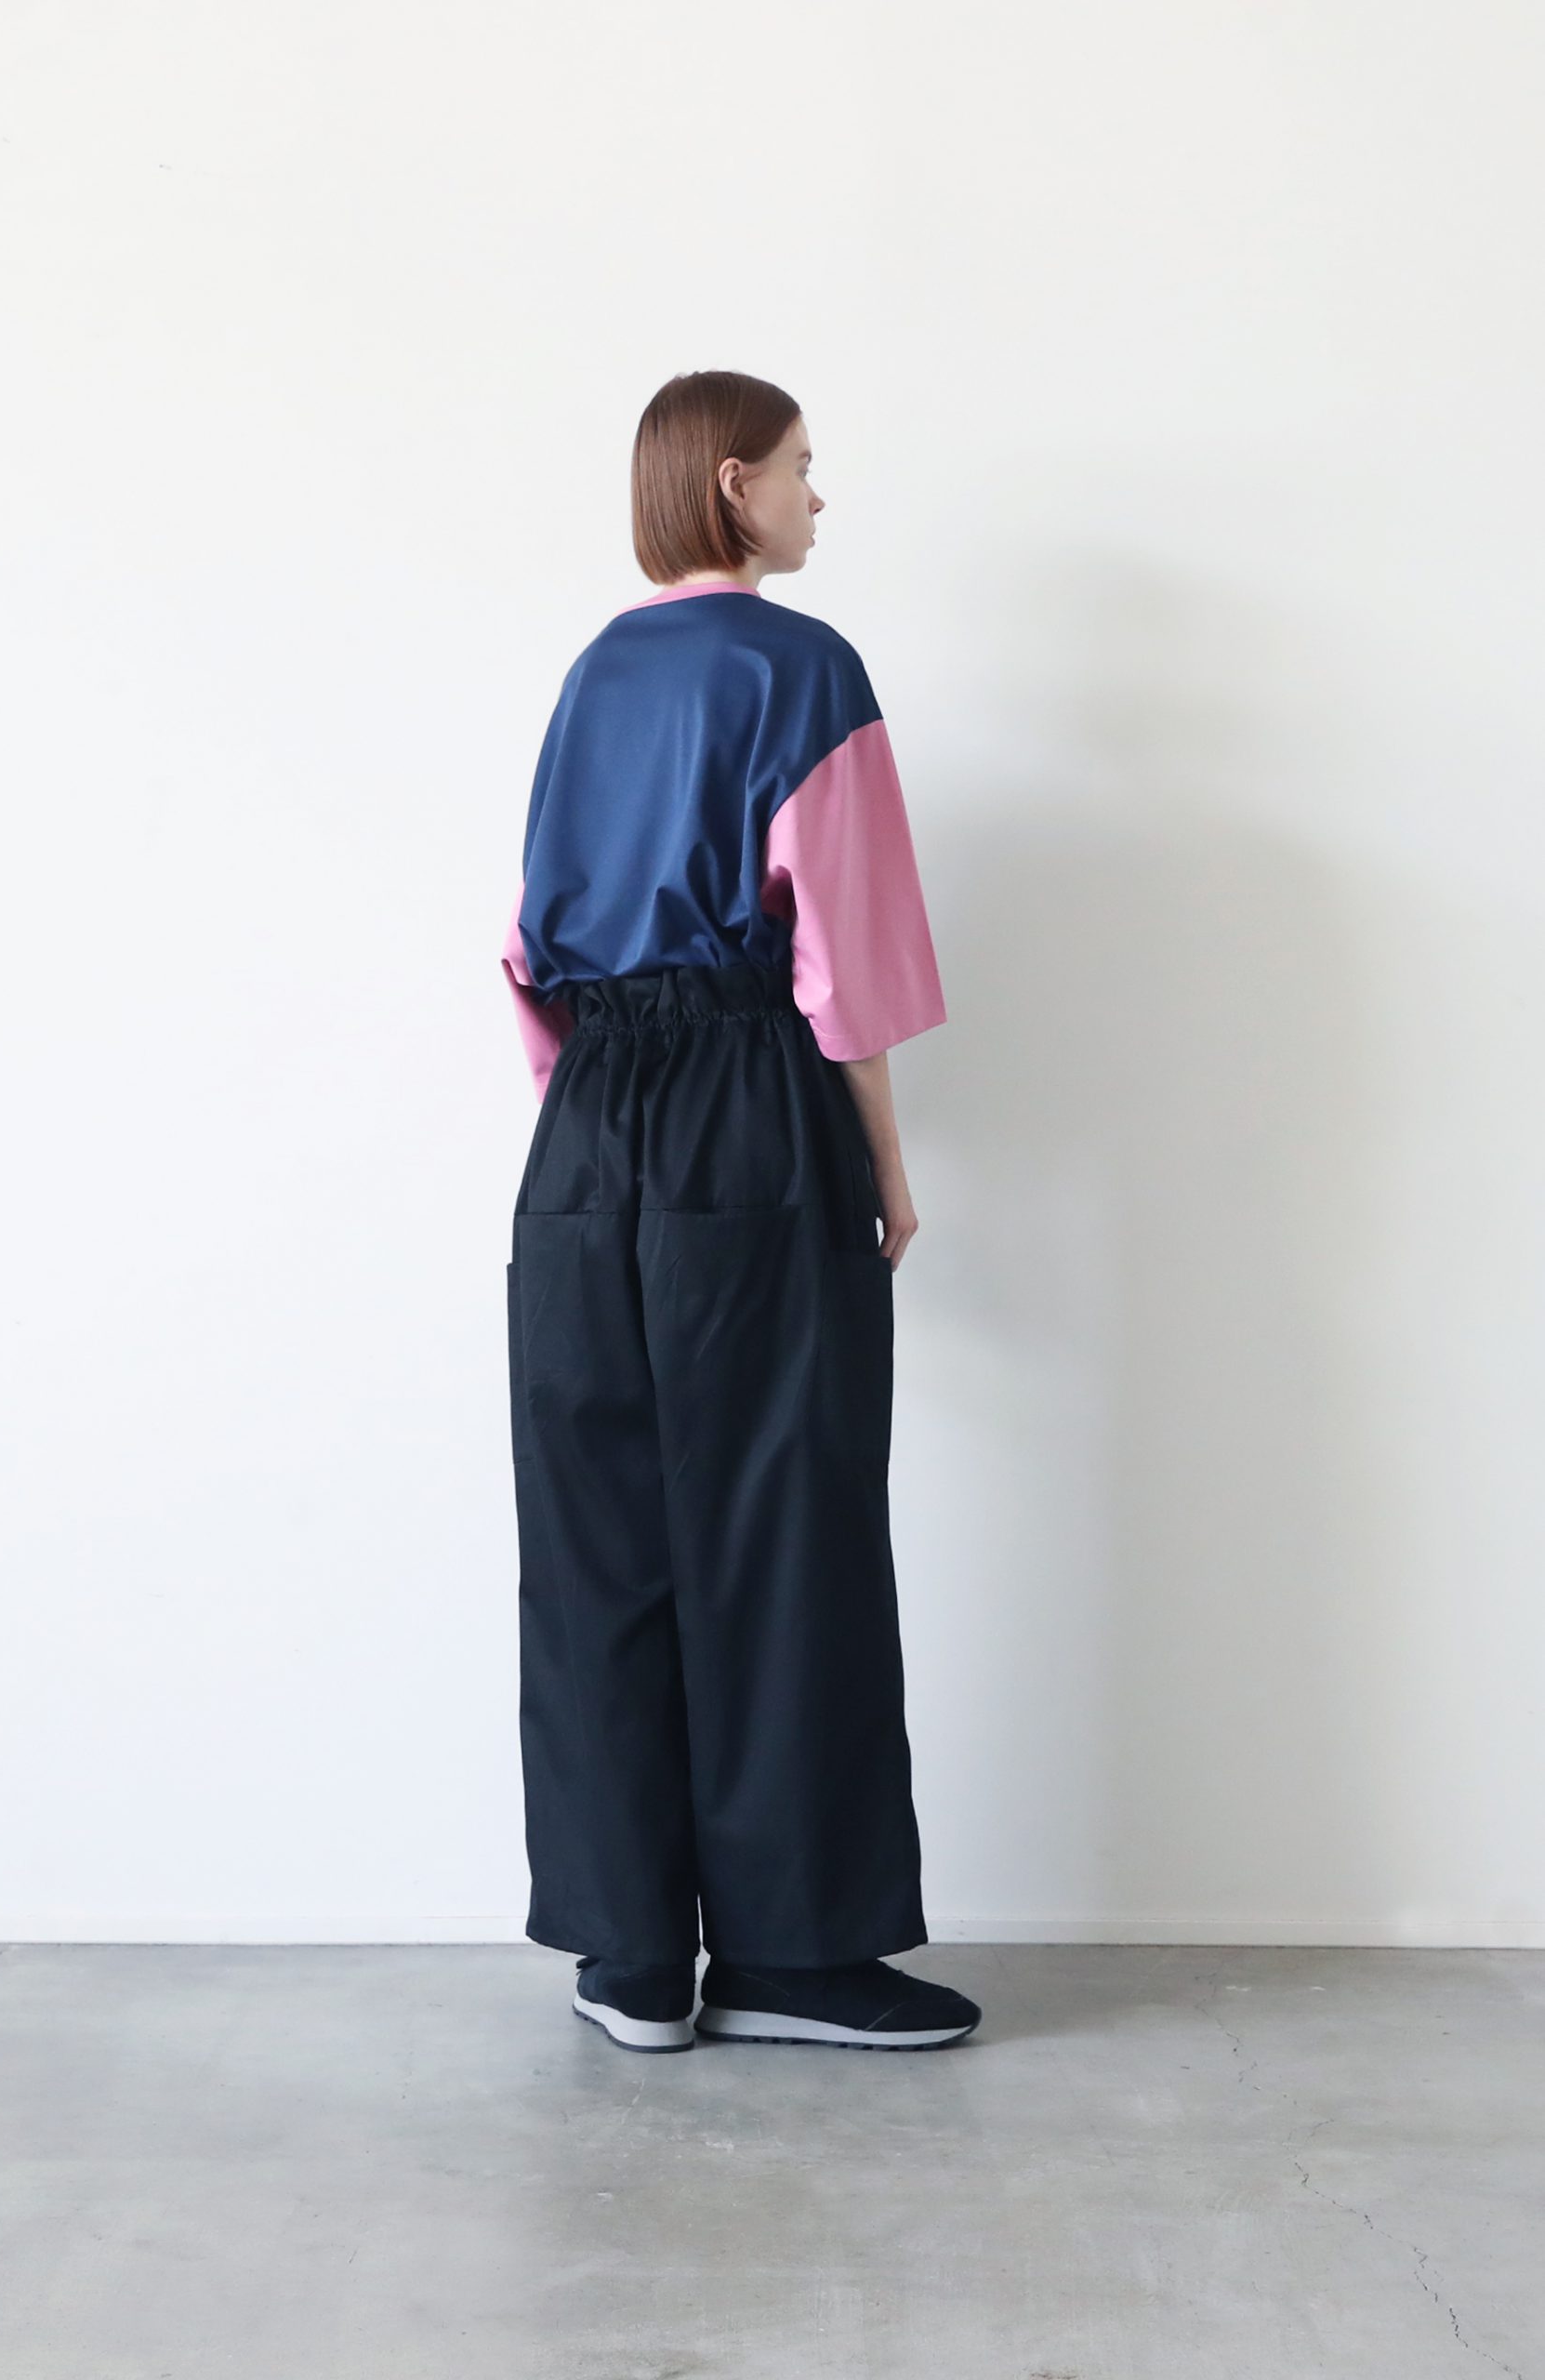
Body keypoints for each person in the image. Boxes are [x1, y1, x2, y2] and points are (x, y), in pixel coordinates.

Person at [501, 369, 981, 2055]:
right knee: (781, 1521)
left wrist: (602, 1128)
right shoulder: (802, 668)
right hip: (747, 1108)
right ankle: (793, 1957)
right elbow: (843, 967)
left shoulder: (593, 672)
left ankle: (629, 1956)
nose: (815, 498)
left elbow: (529, 948)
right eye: (800, 469)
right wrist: (885, 1170)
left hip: (584, 1133)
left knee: (599, 1533)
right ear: (732, 485)